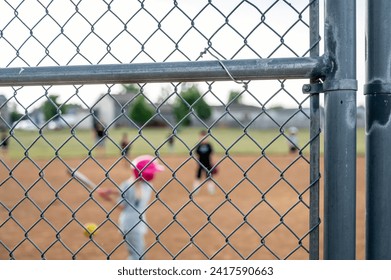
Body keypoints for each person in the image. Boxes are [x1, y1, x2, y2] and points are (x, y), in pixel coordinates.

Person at [97, 155, 164, 260]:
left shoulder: (128, 185)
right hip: (134, 225)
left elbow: (123, 204)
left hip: (130, 224)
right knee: (138, 256)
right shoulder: (148, 185)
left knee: (136, 256)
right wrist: (111, 191)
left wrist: (108, 198)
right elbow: (130, 192)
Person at [193, 130, 216, 194]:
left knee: (209, 177)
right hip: (200, 163)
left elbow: (212, 154)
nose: (204, 139)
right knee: (198, 176)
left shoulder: (209, 145)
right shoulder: (198, 145)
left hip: (208, 163)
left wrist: (213, 163)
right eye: (202, 137)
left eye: (205, 137)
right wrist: (196, 161)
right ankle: (196, 189)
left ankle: (211, 189)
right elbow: (195, 154)